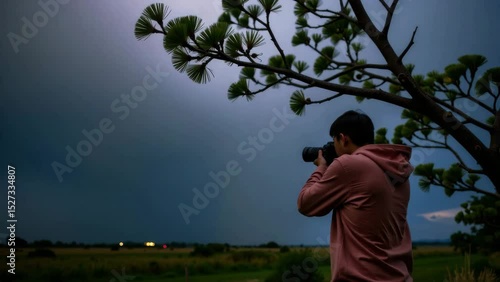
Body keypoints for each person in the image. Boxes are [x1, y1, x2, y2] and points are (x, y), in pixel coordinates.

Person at [297, 110, 414, 282]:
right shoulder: (398, 172)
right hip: (399, 276)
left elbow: (305, 204)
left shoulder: (348, 165)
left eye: (334, 140)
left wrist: (321, 167)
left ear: (343, 138)